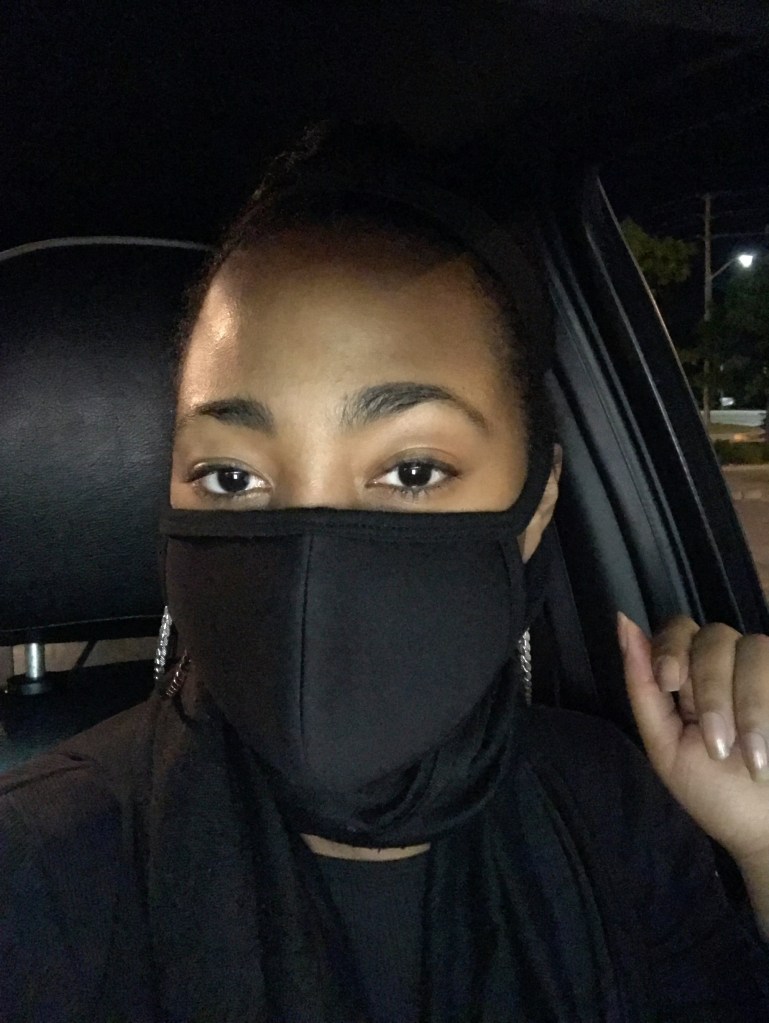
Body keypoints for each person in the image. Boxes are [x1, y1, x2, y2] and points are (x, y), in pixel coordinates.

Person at [3, 121, 769, 1023]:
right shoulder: (35, 870)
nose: (310, 563)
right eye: (232, 478)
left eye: (411, 470)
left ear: (536, 502)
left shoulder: (619, 813)